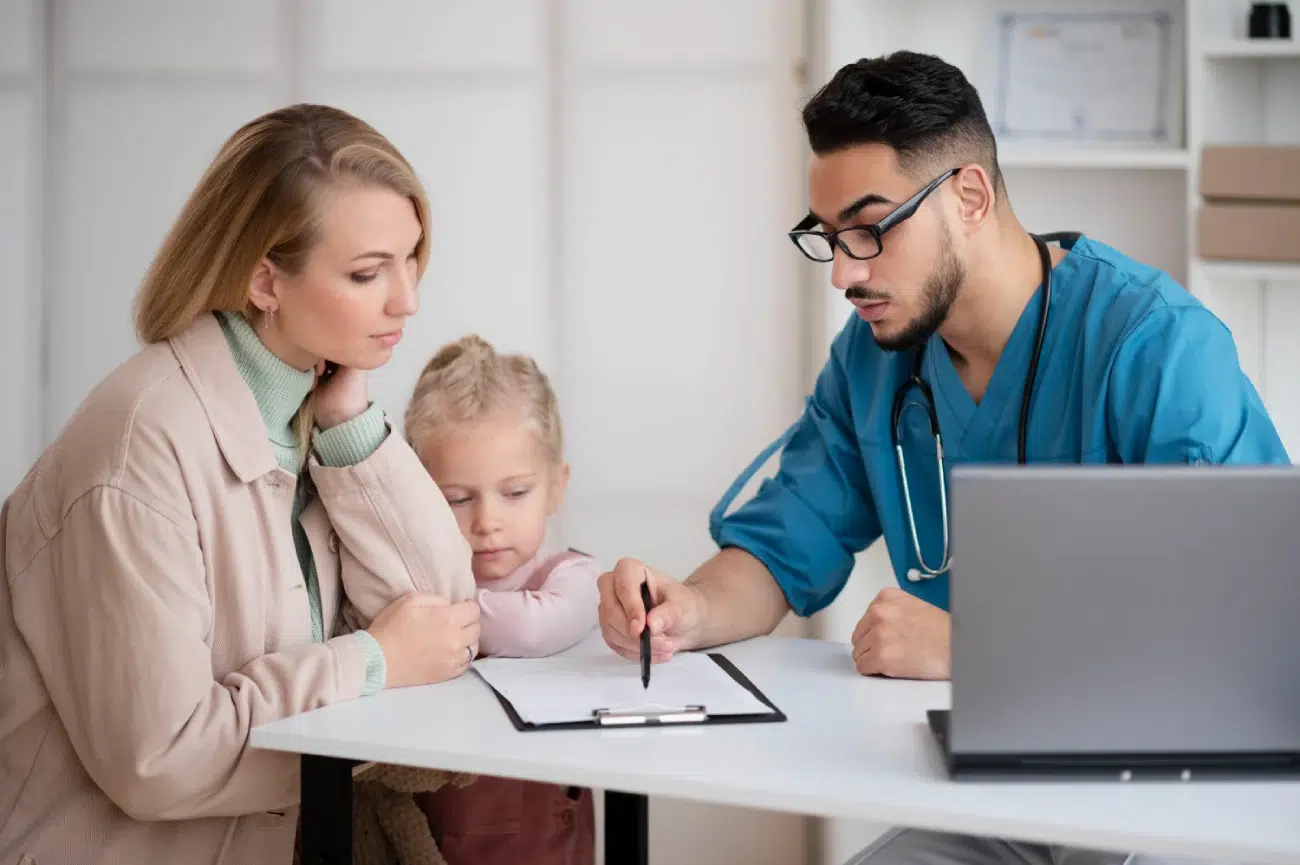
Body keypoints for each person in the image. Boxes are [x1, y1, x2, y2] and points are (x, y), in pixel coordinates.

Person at [595, 51, 1289, 865]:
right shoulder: (874, 360)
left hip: (1182, 787)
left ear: (968, 197)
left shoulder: (1155, 347)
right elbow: (783, 548)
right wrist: (688, 609)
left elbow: (1254, 629)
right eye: (830, 240)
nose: (846, 274)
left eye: (871, 229)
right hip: (1003, 797)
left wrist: (974, 647)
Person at [0, 104, 481, 865]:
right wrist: (371, 662)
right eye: (366, 273)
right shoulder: (138, 453)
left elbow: (446, 625)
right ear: (266, 279)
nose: (407, 301)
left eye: (411, 259)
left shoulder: (307, 412)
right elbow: (160, 760)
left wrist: (353, 429)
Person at [403, 334, 598, 864]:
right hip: (437, 834)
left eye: (515, 493)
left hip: (542, 839)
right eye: (457, 499)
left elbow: (533, 630)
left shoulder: (572, 577)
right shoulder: (413, 580)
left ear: (557, 487)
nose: (487, 522)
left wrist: (434, 621)